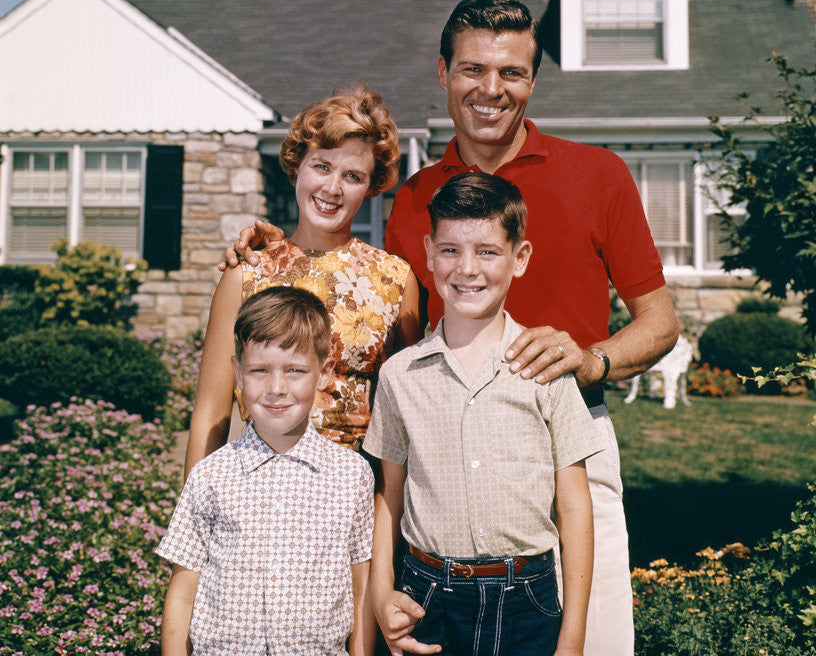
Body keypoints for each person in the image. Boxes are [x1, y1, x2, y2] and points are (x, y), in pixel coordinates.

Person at [224, 0, 679, 656]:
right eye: (472, 69)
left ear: (532, 80)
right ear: (443, 73)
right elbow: (366, 287)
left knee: (593, 639)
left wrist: (592, 360)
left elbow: (660, 321)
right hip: (444, 445)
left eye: (511, 73)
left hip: (570, 431)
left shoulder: (598, 174)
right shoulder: (415, 198)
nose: (490, 90)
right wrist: (275, 247)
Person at [365, 173, 600, 656]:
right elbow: (389, 495)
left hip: (527, 600)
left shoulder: (547, 369)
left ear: (520, 258)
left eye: (488, 252)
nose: (467, 268)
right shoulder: (399, 375)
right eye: (450, 250)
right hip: (426, 597)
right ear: (429, 252)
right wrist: (380, 591)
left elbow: (574, 506)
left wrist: (573, 637)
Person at [186, 85, 420, 479]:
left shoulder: (394, 280)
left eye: (353, 176)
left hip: (354, 495)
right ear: (298, 165)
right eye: (322, 167)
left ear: (371, 186)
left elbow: (407, 420)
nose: (332, 188)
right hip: (258, 487)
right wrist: (191, 519)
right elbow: (211, 411)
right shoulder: (248, 272)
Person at [158, 286, 376, 656]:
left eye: (294, 371)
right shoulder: (210, 476)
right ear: (238, 373)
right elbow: (182, 593)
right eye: (259, 370)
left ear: (323, 373)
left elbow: (361, 591)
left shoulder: (352, 476)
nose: (276, 388)